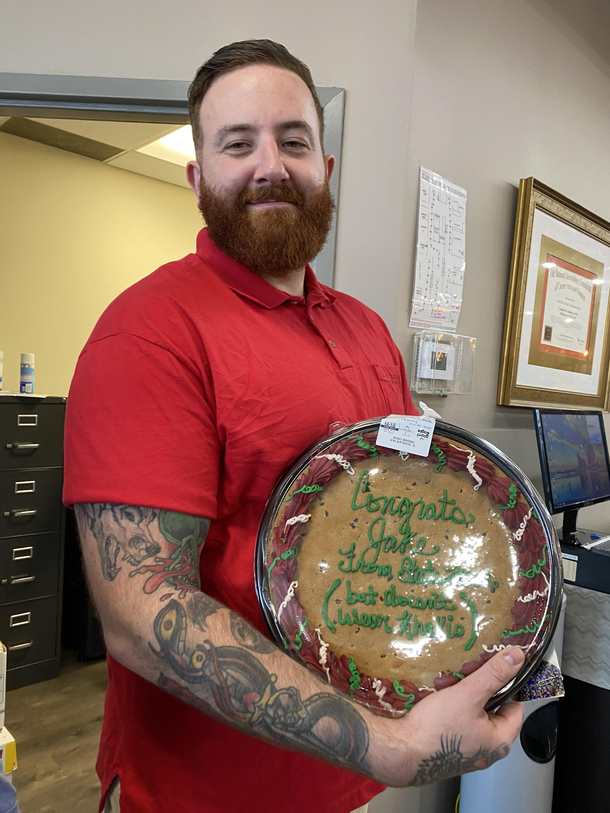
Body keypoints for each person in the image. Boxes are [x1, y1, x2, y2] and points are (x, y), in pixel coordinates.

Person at [63, 39, 525, 813]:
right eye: (237, 143)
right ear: (198, 176)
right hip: (200, 794)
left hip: (345, 785)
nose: (270, 164)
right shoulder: (147, 331)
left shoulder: (367, 329)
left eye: (294, 140)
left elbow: (405, 517)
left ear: (326, 168)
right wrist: (393, 744)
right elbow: (143, 614)